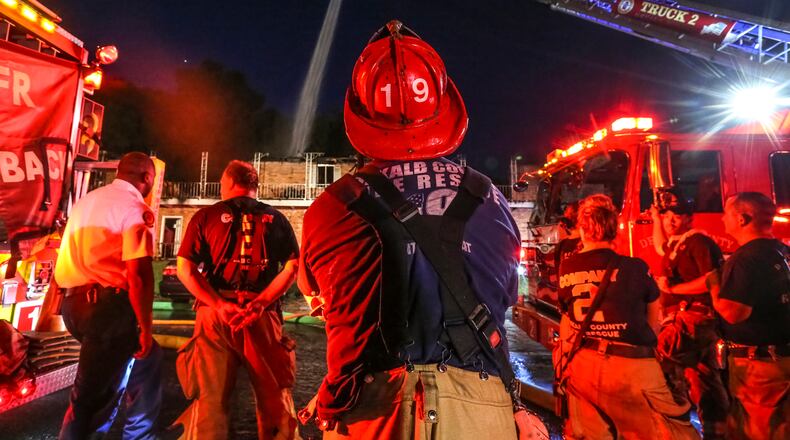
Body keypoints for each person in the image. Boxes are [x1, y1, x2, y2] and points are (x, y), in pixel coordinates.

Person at [297, 20, 546, 439]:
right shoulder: (490, 199)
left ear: (361, 114)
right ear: (443, 106)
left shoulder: (330, 207)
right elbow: (503, 299)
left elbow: (328, 307)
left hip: (372, 410)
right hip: (480, 408)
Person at [174, 160, 299, 440]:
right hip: (261, 316)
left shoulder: (205, 217)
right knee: (274, 398)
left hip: (215, 316)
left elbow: (185, 269)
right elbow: (292, 268)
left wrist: (219, 305)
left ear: (228, 183)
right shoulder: (276, 219)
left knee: (211, 401)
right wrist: (260, 303)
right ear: (254, 186)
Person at [556, 194, 698, 439]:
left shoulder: (567, 268)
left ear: (581, 229)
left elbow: (567, 319)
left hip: (583, 366)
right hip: (632, 369)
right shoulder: (635, 267)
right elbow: (654, 325)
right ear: (614, 229)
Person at [55, 152, 162, 440]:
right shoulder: (134, 207)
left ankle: (141, 432)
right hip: (107, 309)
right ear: (147, 178)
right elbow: (139, 274)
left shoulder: (87, 201)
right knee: (94, 402)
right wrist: (146, 327)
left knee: (139, 367)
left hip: (73, 304)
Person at [708, 192, 789, 440]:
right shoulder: (782, 251)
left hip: (761, 368)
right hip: (781, 358)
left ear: (742, 219)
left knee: (759, 430)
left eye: (727, 214)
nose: (722, 220)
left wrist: (714, 286)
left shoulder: (746, 258)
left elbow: (734, 313)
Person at [650, 195, 729, 438]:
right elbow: (659, 245)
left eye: (677, 215)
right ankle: (718, 430)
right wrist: (654, 218)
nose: (670, 221)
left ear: (689, 218)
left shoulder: (698, 241)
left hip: (692, 319)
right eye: (667, 216)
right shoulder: (677, 243)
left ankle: (675, 429)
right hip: (690, 320)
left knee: (654, 363)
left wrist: (672, 290)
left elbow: (711, 280)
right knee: (703, 376)